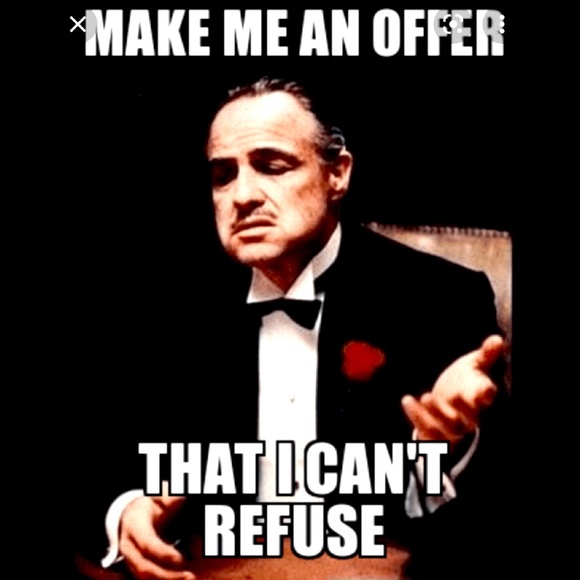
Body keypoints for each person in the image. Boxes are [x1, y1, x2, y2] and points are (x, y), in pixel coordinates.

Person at [94, 78, 510, 580]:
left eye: (272, 166)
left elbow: (489, 512)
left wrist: (448, 443)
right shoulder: (165, 304)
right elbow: (99, 449)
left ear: (338, 174)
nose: (243, 196)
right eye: (223, 176)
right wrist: (127, 510)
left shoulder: (441, 297)